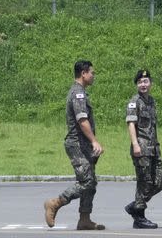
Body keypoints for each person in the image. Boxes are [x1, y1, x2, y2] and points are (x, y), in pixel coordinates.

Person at [44, 60, 105, 230]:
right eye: (91, 72)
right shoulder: (78, 94)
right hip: (77, 144)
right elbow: (82, 120)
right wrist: (94, 141)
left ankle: (84, 219)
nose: (93, 75)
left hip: (83, 145)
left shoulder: (81, 92)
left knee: (91, 183)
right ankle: (55, 203)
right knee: (87, 182)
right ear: (83, 73)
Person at [124, 69, 162, 229]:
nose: (143, 84)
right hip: (141, 148)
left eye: (146, 81)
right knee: (145, 182)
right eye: (140, 82)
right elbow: (131, 124)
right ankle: (139, 217)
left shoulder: (151, 101)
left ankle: (134, 206)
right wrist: (135, 144)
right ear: (137, 84)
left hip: (153, 148)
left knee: (160, 181)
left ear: (151, 84)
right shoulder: (134, 101)